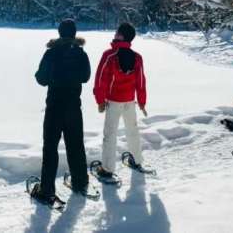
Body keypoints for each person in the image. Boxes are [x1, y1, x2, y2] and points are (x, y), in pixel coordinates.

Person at [32, 19, 91, 203]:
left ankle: (47, 190)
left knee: (50, 148)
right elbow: (86, 77)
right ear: (74, 34)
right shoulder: (81, 53)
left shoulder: (51, 53)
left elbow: (41, 79)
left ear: (59, 33)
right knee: (76, 145)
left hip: (55, 106)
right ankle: (80, 182)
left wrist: (53, 77)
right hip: (73, 106)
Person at [93, 22, 147, 177]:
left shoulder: (109, 55)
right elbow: (141, 82)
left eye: (117, 32)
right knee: (132, 131)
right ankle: (136, 160)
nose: (115, 34)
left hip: (114, 102)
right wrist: (142, 102)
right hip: (130, 102)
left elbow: (100, 79)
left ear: (122, 36)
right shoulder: (137, 57)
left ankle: (107, 169)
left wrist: (100, 100)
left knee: (110, 134)